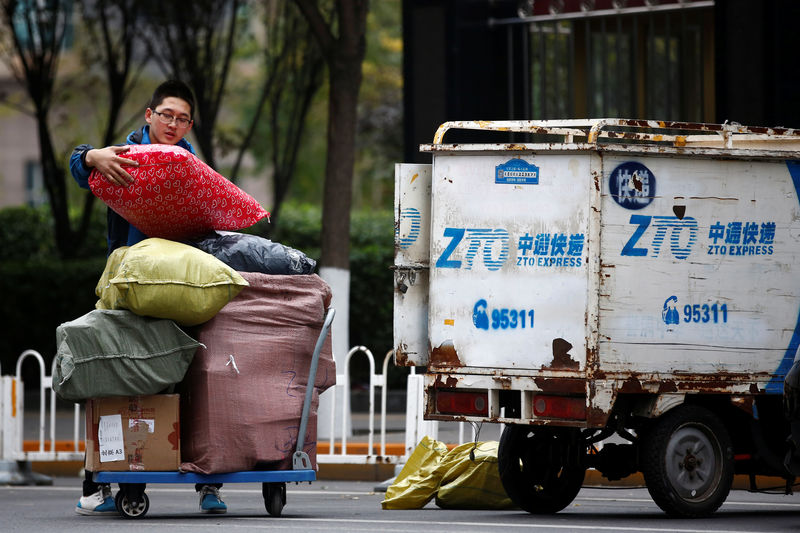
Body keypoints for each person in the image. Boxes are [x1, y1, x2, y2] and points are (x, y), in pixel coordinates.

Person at [69, 79, 227, 515]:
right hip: (130, 284)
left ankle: (208, 485)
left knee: (195, 382)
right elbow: (78, 167)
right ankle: (111, 485)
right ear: (148, 115)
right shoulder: (122, 156)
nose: (173, 124)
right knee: (120, 380)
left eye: (182, 119)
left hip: (181, 287)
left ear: (189, 124)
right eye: (166, 115)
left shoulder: (191, 164)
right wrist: (90, 156)